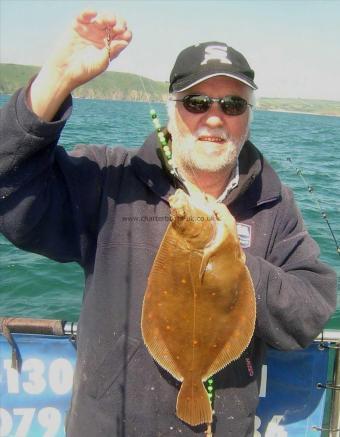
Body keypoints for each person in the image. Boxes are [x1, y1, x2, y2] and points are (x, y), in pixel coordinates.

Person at [0, 9, 337, 437]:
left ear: (248, 114)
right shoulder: (108, 180)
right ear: (172, 108)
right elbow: (9, 189)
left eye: (232, 103)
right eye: (197, 102)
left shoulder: (273, 204)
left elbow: (310, 312)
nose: (214, 117)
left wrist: (233, 263)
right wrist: (56, 79)